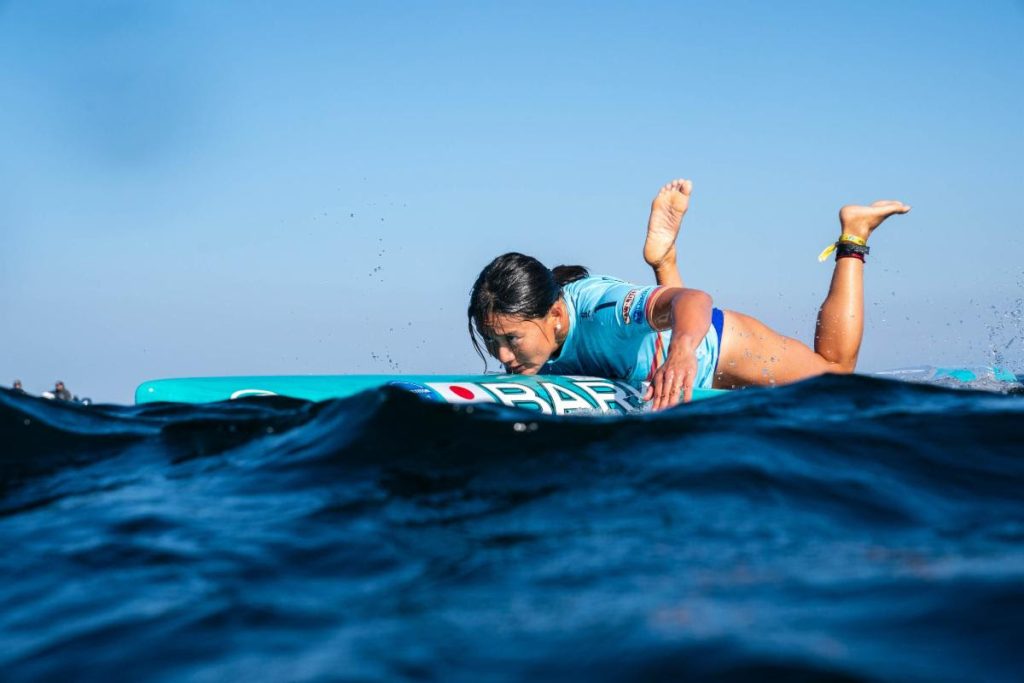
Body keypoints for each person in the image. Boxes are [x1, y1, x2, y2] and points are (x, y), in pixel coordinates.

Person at [467, 179, 910, 411]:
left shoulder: (601, 308)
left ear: (555, 314)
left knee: (838, 381)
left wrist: (683, 352)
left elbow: (694, 300)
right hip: (668, 359)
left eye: (511, 340)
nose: (504, 356)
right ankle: (664, 259)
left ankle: (854, 233)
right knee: (659, 333)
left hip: (722, 349)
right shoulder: (539, 338)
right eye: (494, 343)